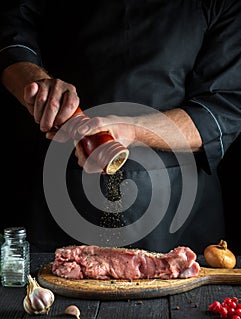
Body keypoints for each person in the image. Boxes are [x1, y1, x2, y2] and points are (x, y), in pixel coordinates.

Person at [0, 0, 241, 254]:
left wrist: (131, 129)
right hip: (61, 191)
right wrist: (37, 85)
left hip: (177, 211)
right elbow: (10, 28)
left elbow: (221, 108)